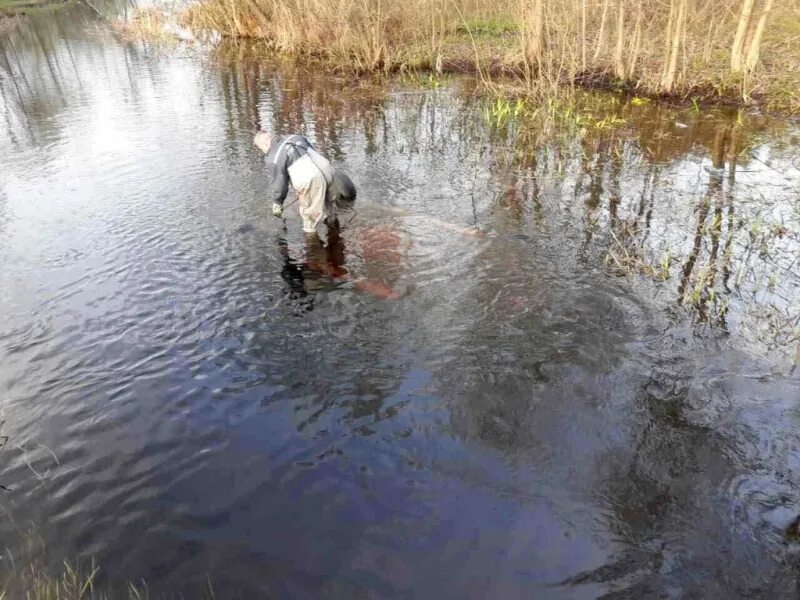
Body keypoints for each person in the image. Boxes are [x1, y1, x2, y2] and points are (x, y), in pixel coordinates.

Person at [254, 131, 356, 234]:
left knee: (308, 219)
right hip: (327, 170)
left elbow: (279, 184)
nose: (264, 152)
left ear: (266, 144)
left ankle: (312, 246)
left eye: (261, 149)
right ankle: (335, 237)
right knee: (329, 209)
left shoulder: (273, 157)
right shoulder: (295, 137)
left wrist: (278, 202)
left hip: (311, 179)